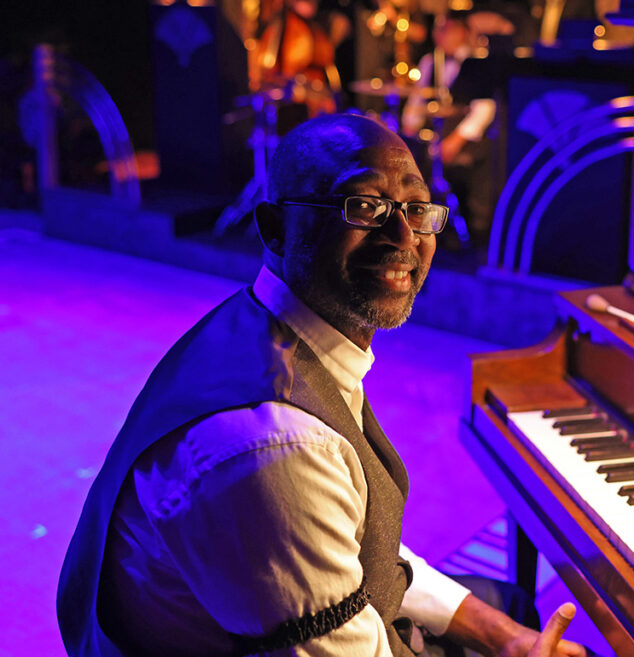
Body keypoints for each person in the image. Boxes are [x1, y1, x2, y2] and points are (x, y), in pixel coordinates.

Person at [57, 113, 583, 657]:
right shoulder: (271, 445)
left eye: (415, 209)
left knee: (509, 609)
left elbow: (347, 544)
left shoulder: (275, 330)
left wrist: (505, 637)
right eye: (363, 206)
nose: (402, 236)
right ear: (275, 229)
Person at [402, 13, 497, 244]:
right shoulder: (429, 61)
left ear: (463, 31)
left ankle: (465, 230)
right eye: (438, 29)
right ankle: (420, 227)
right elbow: (416, 102)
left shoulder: (477, 62)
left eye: (447, 28)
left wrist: (456, 140)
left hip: (469, 138)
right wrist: (408, 131)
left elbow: (484, 110)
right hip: (435, 133)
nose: (440, 35)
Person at [366, 0, 431, 81]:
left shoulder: (412, 6)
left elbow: (421, 34)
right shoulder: (383, 4)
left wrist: (395, 19)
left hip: (411, 66)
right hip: (386, 66)